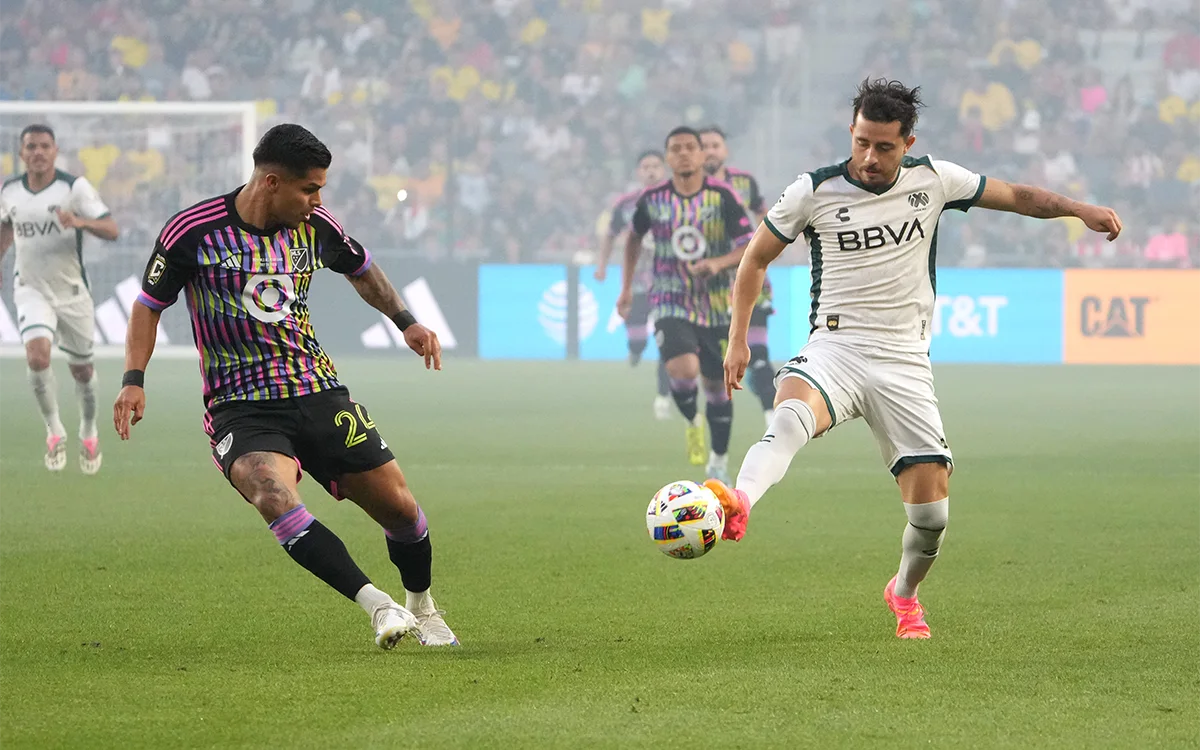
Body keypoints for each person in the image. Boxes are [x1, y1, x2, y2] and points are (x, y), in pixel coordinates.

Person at [707, 79, 1122, 639]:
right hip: (836, 347)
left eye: (883, 146)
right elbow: (755, 259)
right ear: (851, 133)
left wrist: (1080, 210)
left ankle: (903, 594)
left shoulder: (936, 179)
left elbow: (1019, 197)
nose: (869, 158)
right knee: (788, 416)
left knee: (931, 520)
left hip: (904, 361)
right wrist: (739, 339)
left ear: (908, 142)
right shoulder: (813, 190)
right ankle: (739, 501)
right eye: (860, 143)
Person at [113, 124, 459, 650]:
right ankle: (378, 606)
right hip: (240, 406)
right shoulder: (192, 231)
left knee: (401, 511)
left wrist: (405, 320)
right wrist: (133, 381)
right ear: (271, 182)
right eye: (310, 188)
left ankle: (422, 607)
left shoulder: (315, 226)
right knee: (270, 493)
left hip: (315, 390)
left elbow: (362, 269)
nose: (318, 199)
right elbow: (148, 306)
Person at [617, 126, 754, 482]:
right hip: (669, 297)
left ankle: (719, 461)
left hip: (717, 303)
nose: (683, 154)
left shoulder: (723, 197)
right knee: (683, 370)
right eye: (675, 149)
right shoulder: (653, 199)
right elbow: (633, 239)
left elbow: (749, 246)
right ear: (667, 158)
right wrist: (627, 288)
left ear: (700, 155)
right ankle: (692, 419)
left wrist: (718, 264)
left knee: (716, 387)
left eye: (689, 147)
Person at [0, 125, 120, 474]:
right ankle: (54, 430)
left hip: (71, 292)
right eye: (31, 147)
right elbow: (6, 227)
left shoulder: (74, 187)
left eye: (44, 146)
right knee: (37, 356)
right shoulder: (9, 191)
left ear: (55, 152)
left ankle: (88, 428)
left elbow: (111, 229)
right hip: (30, 288)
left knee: (82, 370)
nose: (37, 152)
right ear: (22, 154)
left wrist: (79, 221)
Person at [700, 126, 777, 427]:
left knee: (757, 355)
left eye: (715, 145)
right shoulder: (688, 192)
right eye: (703, 145)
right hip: (708, 293)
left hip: (750, 282)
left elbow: (766, 215)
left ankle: (773, 417)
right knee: (710, 362)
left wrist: (768, 247)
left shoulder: (745, 183)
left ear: (725, 150)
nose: (710, 151)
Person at [594, 149, 671, 420]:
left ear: (664, 170)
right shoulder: (626, 204)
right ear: (639, 172)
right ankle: (635, 351)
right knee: (638, 337)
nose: (651, 171)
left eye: (656, 166)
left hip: (670, 282)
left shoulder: (677, 201)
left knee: (668, 340)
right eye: (646, 166)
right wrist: (602, 265)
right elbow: (610, 235)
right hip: (636, 282)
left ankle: (663, 396)